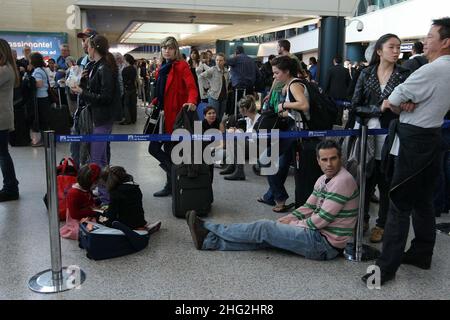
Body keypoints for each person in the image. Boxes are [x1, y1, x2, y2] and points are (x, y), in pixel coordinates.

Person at [362, 17, 450, 286]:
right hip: (432, 136)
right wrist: (401, 102)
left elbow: (393, 99)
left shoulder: (431, 70)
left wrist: (396, 102)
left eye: (430, 36)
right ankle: (422, 253)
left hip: (413, 141)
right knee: (423, 200)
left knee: (399, 203)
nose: (425, 40)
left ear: (445, 42)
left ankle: (384, 269)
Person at [186, 140, 358, 260]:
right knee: (265, 239)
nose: (329, 164)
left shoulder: (343, 180)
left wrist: (291, 224)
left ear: (340, 157)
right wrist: (289, 218)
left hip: (324, 245)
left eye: (333, 158)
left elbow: (320, 220)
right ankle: (208, 241)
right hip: (317, 237)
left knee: (263, 228)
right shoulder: (323, 179)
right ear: (318, 161)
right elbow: (308, 207)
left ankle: (208, 226)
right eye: (325, 159)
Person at [350, 33, 410, 242]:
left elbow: (411, 103)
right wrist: (380, 107)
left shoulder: (404, 74)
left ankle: (382, 224)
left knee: (386, 182)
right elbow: (355, 105)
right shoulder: (366, 73)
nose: (396, 51)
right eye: (392, 47)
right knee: (365, 179)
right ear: (379, 51)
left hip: (392, 135)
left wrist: (405, 106)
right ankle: (362, 218)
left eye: (398, 47)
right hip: (367, 133)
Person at [148, 36, 198, 197]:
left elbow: (192, 88)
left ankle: (171, 183)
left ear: (176, 50)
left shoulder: (181, 66)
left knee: (170, 151)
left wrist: (191, 101)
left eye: (170, 48)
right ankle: (175, 175)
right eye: (164, 48)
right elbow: (162, 91)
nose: (167, 50)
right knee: (153, 148)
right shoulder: (163, 67)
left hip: (175, 116)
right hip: (161, 115)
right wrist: (154, 100)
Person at [71, 35, 118, 170]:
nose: (86, 48)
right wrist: (84, 83)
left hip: (102, 117)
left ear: (93, 49)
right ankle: (103, 190)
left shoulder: (104, 67)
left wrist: (82, 91)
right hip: (98, 116)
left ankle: (102, 190)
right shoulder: (97, 66)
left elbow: (105, 97)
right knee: (100, 158)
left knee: (96, 159)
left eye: (88, 46)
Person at [98, 166, 162, 233]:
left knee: (99, 217)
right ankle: (143, 226)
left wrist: (101, 218)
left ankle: (137, 230)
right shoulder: (135, 187)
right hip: (140, 220)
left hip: (125, 224)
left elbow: (111, 216)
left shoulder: (115, 193)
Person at [220, 95, 260, 181]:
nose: (239, 111)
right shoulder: (249, 119)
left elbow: (257, 138)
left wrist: (238, 134)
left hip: (259, 147)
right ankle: (232, 165)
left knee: (234, 138)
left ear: (244, 109)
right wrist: (237, 131)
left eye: (239, 109)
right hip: (252, 145)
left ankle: (239, 171)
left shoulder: (259, 119)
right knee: (231, 136)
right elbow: (248, 136)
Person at [0, 39, 20, 202]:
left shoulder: (5, 70)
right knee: (2, 153)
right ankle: (11, 184)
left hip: (1, 117)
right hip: (3, 116)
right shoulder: (6, 69)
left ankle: (10, 187)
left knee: (3, 154)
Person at [226, 46, 259, 114]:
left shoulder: (236, 58)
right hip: (250, 87)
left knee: (238, 106)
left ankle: (236, 121)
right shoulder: (251, 60)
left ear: (236, 52)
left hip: (238, 87)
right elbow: (258, 74)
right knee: (248, 105)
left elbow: (225, 62)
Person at [198, 53, 230, 120]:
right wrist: (206, 86)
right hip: (214, 97)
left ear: (224, 61)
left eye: (220, 60)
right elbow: (201, 76)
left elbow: (227, 83)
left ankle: (218, 130)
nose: (218, 62)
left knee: (220, 118)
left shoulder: (226, 71)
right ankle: (212, 130)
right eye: (217, 60)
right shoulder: (213, 69)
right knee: (213, 118)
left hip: (224, 98)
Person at [29, 52, 51, 146]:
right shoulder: (43, 69)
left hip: (40, 97)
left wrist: (29, 82)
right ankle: (46, 140)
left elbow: (39, 84)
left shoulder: (37, 71)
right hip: (45, 96)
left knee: (42, 119)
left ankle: (44, 140)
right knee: (45, 119)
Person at [324, 56, 351, 125]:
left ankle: (333, 121)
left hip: (332, 93)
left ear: (334, 61)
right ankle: (339, 121)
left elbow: (327, 82)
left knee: (333, 107)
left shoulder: (330, 70)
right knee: (340, 109)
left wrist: (324, 92)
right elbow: (349, 83)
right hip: (342, 94)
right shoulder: (346, 70)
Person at [121, 53, 138, 125]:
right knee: (133, 104)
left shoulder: (125, 70)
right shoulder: (134, 68)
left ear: (126, 60)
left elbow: (124, 81)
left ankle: (127, 120)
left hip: (127, 89)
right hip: (133, 88)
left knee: (126, 105)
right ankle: (133, 119)